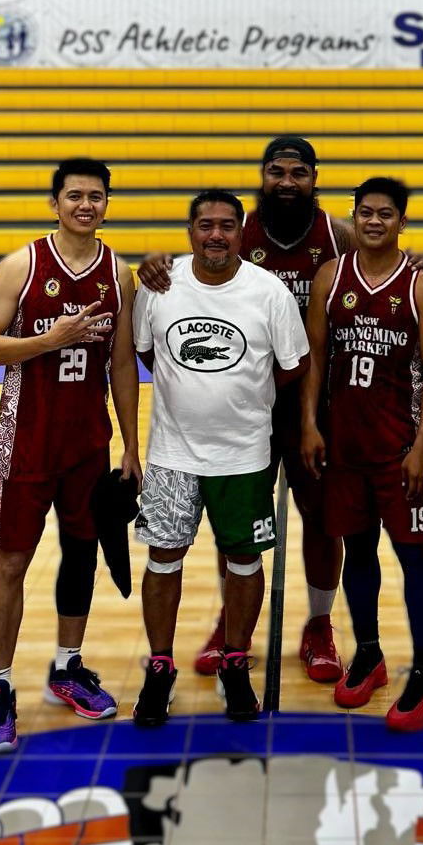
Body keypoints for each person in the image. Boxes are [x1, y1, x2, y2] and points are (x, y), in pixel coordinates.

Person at [136, 137, 423, 686]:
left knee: (324, 521)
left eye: (299, 173)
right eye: (277, 172)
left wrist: (415, 259)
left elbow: (382, 257)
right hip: (246, 406)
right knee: (237, 530)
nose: (288, 182)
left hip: (317, 407)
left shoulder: (338, 236)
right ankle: (233, 621)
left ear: (315, 178)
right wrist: (154, 264)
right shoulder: (237, 232)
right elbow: (182, 274)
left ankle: (319, 624)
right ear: (263, 176)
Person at [0, 159, 140, 752]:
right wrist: (50, 339)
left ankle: (67, 666)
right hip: (26, 440)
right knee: (11, 562)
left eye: (95, 197)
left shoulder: (118, 272)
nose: (85, 205)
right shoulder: (22, 265)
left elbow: (120, 363)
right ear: (55, 203)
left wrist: (131, 445)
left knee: (81, 553)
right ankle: (0, 686)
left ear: (107, 204)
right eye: (74, 196)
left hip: (87, 442)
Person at [131, 189, 310, 725]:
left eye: (227, 225)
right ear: (190, 231)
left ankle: (235, 661)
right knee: (163, 559)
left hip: (244, 454)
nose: (216, 234)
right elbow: (145, 351)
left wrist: (243, 397)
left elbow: (292, 364)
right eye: (205, 225)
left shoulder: (268, 291)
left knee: (244, 561)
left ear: (242, 232)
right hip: (170, 454)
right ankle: (160, 667)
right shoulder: (160, 285)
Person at [301, 177, 423, 732]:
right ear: (353, 217)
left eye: (386, 214)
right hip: (344, 448)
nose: (374, 221)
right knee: (358, 554)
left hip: (397, 453)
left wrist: (422, 447)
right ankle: (369, 652)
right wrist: (310, 426)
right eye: (365, 212)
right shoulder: (330, 277)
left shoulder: (422, 287)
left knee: (414, 558)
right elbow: (316, 356)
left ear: (402, 222)